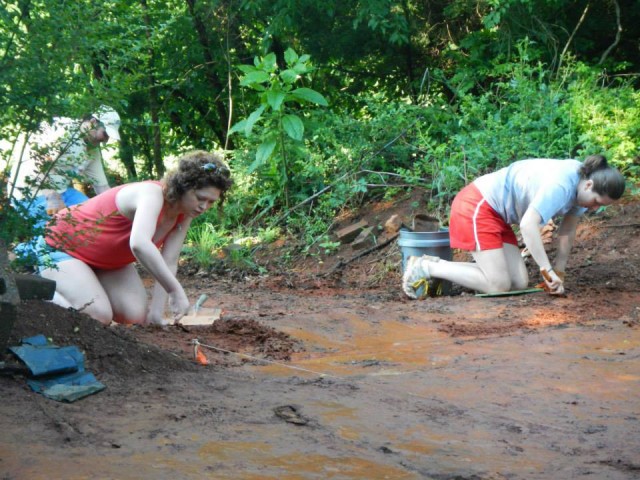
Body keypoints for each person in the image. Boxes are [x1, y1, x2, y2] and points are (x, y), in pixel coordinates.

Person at [39, 150, 233, 325]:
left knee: (134, 316)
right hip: (62, 246)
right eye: (200, 198)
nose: (203, 207)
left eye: (211, 202)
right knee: (97, 315)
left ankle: (86, 287)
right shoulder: (151, 194)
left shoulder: (185, 213)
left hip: (107, 261)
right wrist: (176, 291)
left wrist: (157, 313)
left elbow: (169, 260)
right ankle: (36, 296)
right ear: (183, 186)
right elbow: (139, 244)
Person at [402, 155, 626, 298]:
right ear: (589, 185)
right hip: (477, 204)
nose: (595, 208)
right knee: (498, 285)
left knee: (518, 282)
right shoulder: (561, 185)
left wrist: (559, 271)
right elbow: (529, 225)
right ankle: (426, 267)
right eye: (596, 202)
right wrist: (546, 269)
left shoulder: (582, 192)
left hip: (498, 216)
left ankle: (443, 269)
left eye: (600, 206)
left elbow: (567, 231)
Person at [9, 105, 121, 226]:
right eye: (105, 134)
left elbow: (102, 188)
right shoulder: (61, 129)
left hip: (63, 192)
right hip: (30, 192)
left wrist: (120, 211)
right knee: (55, 232)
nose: (105, 141)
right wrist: (52, 196)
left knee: (92, 220)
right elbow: (37, 164)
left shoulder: (92, 149)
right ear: (93, 122)